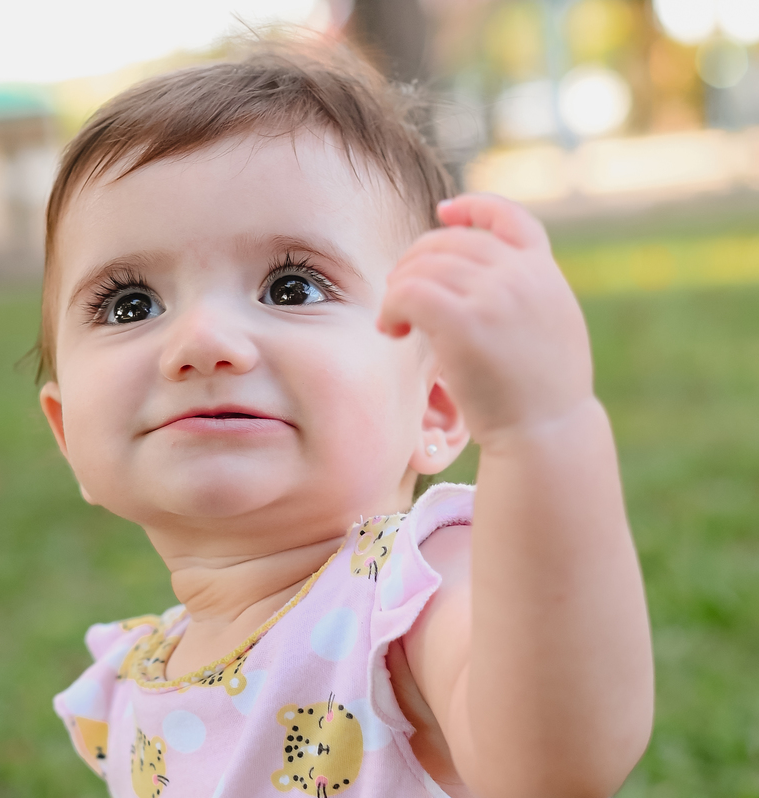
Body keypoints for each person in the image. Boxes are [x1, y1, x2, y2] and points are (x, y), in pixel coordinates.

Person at [35, 38, 653, 798]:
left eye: (291, 288)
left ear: (435, 404)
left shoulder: (407, 600)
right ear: (67, 434)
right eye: (131, 304)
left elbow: (557, 762)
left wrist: (546, 430)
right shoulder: (131, 677)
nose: (201, 341)